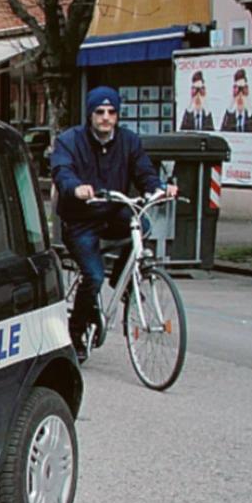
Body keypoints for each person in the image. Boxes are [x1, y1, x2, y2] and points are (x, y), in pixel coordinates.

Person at [52, 86, 176, 360]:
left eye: (111, 112)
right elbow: (62, 170)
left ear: (118, 115)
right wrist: (75, 188)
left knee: (142, 227)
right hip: (81, 218)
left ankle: (123, 279)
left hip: (113, 212)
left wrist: (159, 188)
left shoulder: (129, 141)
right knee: (94, 276)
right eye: (100, 112)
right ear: (90, 115)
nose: (106, 118)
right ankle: (76, 332)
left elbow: (144, 171)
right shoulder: (70, 141)